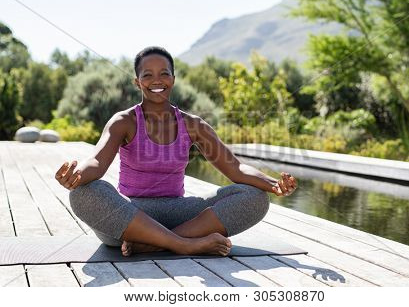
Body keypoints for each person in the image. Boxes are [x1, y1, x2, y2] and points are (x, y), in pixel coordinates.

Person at [55, 46, 298, 257]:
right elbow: (97, 162)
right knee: (83, 193)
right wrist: (77, 176)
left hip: (178, 213)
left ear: (173, 78)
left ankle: (154, 245)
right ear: (137, 81)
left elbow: (234, 168)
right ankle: (183, 245)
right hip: (130, 218)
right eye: (147, 75)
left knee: (254, 197)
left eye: (164, 73)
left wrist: (272, 183)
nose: (156, 80)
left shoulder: (193, 125)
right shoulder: (124, 121)